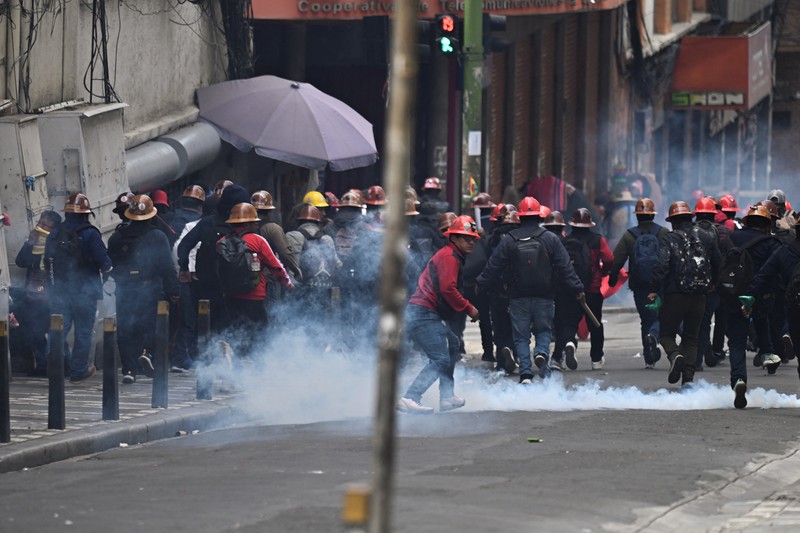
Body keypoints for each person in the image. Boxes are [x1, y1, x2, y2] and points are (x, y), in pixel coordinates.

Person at [477, 197, 584, 383]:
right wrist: (577, 288)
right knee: (543, 330)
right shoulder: (550, 238)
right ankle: (541, 354)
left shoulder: (510, 240)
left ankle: (526, 373)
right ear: (538, 215)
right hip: (545, 295)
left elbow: (493, 267)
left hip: (517, 296)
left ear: (519, 216)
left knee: (521, 336)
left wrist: (481, 283)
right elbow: (565, 267)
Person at [397, 215, 481, 414]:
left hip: (426, 313)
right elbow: (448, 289)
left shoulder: (452, 256)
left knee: (452, 346)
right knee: (440, 359)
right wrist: (470, 308)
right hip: (422, 313)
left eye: (473, 238)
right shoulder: (449, 257)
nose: (471, 241)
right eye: (465, 237)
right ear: (454, 238)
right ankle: (410, 397)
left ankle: (447, 396)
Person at [108, 194, 179, 383]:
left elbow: (111, 264)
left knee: (126, 329)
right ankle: (147, 353)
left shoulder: (117, 237)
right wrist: (173, 291)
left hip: (124, 290)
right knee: (150, 325)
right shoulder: (157, 236)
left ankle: (129, 369)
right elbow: (167, 266)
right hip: (150, 288)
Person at [648, 201, 720, 389]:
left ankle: (674, 355)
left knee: (666, 333)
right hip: (700, 295)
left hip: (675, 295)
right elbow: (718, 261)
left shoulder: (669, 238)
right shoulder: (706, 235)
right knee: (691, 337)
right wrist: (713, 284)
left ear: (672, 221)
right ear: (690, 218)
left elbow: (662, 265)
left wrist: (654, 288)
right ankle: (688, 379)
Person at [44, 193, 112, 383]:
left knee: (58, 329)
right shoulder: (90, 233)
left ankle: (54, 369)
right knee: (83, 331)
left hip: (60, 291)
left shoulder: (55, 233)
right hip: (86, 292)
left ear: (67, 213)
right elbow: (103, 261)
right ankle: (78, 370)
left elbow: (47, 260)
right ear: (85, 214)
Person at [721, 204, 782, 408]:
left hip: (733, 297)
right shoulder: (771, 243)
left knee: (737, 343)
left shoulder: (732, 238)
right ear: (767, 224)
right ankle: (766, 352)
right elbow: (776, 272)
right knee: (762, 320)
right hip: (760, 298)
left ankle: (739, 380)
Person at [177, 184, 251, 334]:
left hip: (207, 286)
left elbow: (183, 246)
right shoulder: (246, 225)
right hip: (238, 289)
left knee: (207, 328)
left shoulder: (207, 223)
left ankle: (207, 357)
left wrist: (184, 268)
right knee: (237, 330)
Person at [221, 203, 294, 350]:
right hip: (255, 296)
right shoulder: (258, 240)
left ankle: (236, 364)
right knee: (259, 334)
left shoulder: (223, 241)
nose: (257, 225)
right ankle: (255, 366)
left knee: (236, 332)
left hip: (230, 295)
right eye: (255, 222)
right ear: (248, 223)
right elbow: (276, 266)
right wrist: (288, 284)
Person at [608, 198, 669, 368]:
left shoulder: (629, 235)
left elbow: (617, 259)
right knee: (660, 315)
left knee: (645, 319)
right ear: (652, 215)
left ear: (637, 216)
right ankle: (654, 336)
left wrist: (612, 278)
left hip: (639, 285)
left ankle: (649, 359)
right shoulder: (663, 233)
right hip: (659, 284)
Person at [552, 208, 613, 370]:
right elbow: (609, 258)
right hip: (593, 290)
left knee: (570, 321)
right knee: (596, 324)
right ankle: (596, 359)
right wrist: (605, 270)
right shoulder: (597, 240)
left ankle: (570, 342)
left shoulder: (566, 241)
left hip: (571, 289)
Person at [14, 210, 62, 376]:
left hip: (51, 295)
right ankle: (42, 365)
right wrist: (29, 243)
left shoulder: (57, 244)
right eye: (39, 223)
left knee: (56, 331)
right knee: (34, 332)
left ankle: (63, 365)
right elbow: (20, 262)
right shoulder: (34, 243)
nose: (40, 227)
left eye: (44, 225)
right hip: (33, 295)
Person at [693, 197, 732, 370]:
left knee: (696, 323)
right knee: (708, 321)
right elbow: (720, 260)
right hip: (713, 286)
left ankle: (697, 358)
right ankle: (705, 355)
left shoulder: (690, 231)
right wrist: (718, 282)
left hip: (693, 285)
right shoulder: (719, 232)